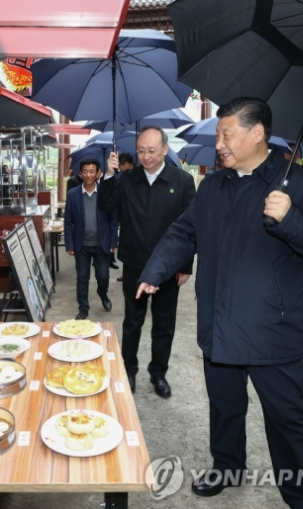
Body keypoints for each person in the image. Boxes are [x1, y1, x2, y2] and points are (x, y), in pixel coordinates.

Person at [136, 97, 303, 508]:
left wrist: (292, 220)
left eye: (226, 134)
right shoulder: (213, 186)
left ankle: (302, 497)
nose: (219, 144)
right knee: (225, 406)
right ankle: (227, 466)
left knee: (287, 420)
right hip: (219, 322)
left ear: (256, 133)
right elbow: (183, 233)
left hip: (272, 329)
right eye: (218, 135)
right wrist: (154, 270)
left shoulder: (302, 187)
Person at [98, 125, 196, 396]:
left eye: (152, 150)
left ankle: (158, 373)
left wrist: (186, 265)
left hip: (169, 267)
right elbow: (105, 206)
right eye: (141, 150)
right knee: (132, 322)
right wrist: (109, 174)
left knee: (164, 325)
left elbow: (191, 228)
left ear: (165, 149)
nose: (146, 156)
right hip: (136, 264)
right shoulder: (127, 180)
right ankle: (129, 370)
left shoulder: (182, 181)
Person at [64, 159, 118, 320]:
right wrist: (69, 243)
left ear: (97, 173)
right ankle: (83, 308)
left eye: (91, 171)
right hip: (81, 244)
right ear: (81, 173)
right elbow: (68, 221)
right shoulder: (73, 195)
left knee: (103, 276)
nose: (88, 174)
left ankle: (103, 294)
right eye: (85, 171)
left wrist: (113, 241)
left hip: (102, 243)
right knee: (82, 278)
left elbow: (113, 220)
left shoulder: (105, 192)